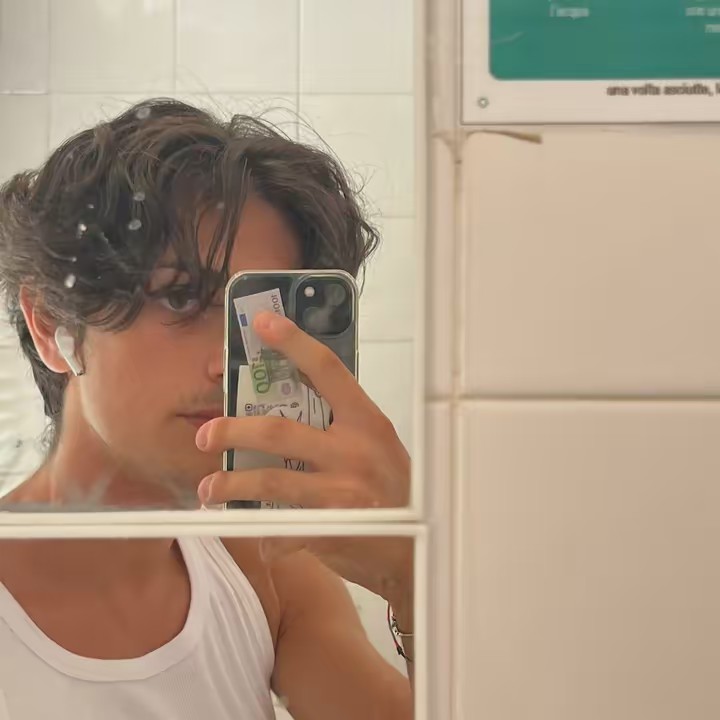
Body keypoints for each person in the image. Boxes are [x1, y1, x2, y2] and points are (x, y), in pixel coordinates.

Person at [0, 99, 413, 720]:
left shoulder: (264, 568)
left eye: (264, 311)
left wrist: (413, 578)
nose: (232, 362)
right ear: (49, 323)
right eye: (182, 297)